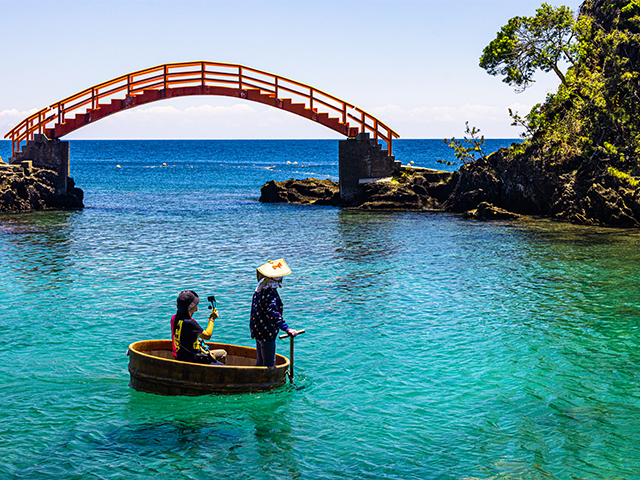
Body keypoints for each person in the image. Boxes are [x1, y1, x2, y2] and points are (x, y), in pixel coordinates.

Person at [250, 258, 298, 367]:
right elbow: (272, 313)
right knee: (268, 363)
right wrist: (287, 328)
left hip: (257, 329)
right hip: (266, 332)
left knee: (261, 361)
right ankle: (265, 383)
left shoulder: (260, 289)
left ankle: (256, 381)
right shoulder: (269, 293)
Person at [171, 290, 226, 365]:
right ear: (192, 307)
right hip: (193, 359)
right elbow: (207, 336)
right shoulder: (189, 323)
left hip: (182, 356)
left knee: (222, 353)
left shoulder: (176, 318)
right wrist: (212, 319)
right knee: (223, 366)